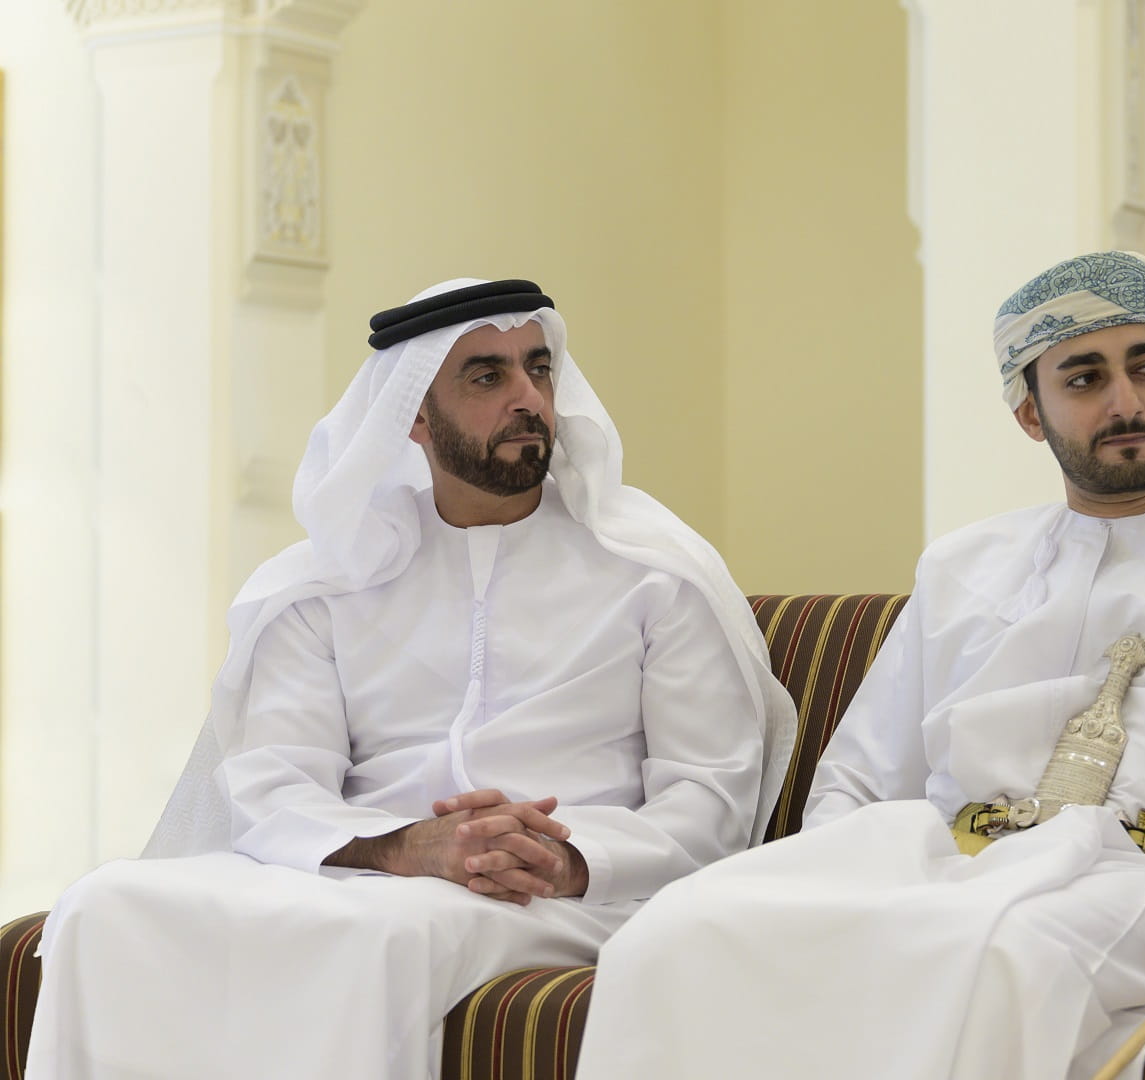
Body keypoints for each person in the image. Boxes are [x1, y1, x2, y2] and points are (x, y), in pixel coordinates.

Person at [575, 251, 1145, 1080]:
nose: (1127, 402)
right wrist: (841, 884)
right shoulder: (962, 566)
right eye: (1085, 378)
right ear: (1030, 413)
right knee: (682, 927)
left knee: (997, 957)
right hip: (950, 860)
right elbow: (859, 783)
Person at [26, 278, 795, 1080]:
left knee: (386, 937)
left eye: (539, 368)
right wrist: (403, 849)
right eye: (487, 376)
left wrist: (565, 859)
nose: (528, 397)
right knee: (108, 904)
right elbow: (271, 783)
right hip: (372, 871)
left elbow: (710, 798)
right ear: (414, 417)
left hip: (570, 896)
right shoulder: (328, 583)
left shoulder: (654, 572)